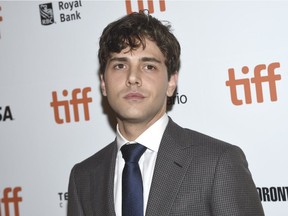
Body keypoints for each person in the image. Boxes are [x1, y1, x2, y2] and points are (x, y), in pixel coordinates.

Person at [67, 11, 264, 216]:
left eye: (149, 66)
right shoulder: (83, 177)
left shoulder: (217, 163)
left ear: (171, 82)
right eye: (120, 65)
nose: (133, 78)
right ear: (103, 83)